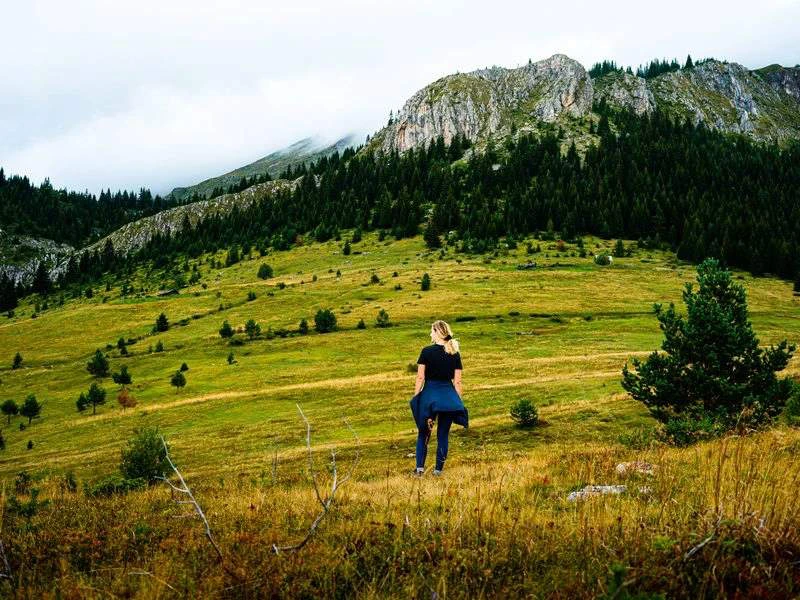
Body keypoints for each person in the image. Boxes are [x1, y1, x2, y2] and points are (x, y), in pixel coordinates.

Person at [409, 320, 468, 476]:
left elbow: (420, 378)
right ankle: (438, 471)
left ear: (437, 332)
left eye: (431, 331)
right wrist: (458, 401)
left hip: (430, 397)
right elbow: (458, 381)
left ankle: (420, 469)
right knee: (443, 434)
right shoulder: (454, 353)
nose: (430, 334)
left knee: (424, 433)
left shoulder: (426, 352)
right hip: (448, 398)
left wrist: (417, 397)